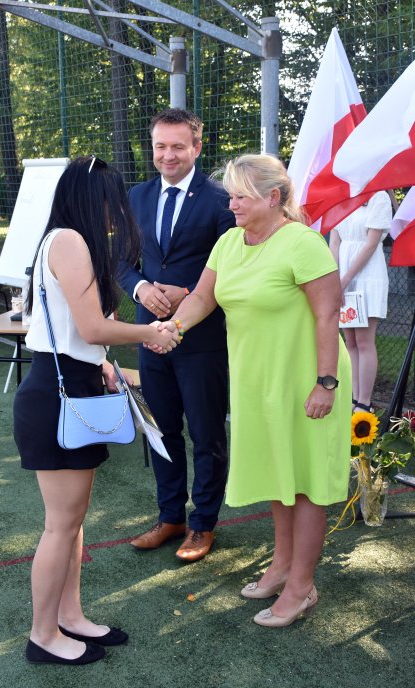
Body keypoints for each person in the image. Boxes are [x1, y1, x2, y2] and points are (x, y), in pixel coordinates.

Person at [155, 154, 351, 627]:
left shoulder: (303, 243)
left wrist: (325, 383)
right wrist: (171, 328)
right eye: (230, 196)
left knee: (306, 486)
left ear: (273, 197)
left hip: (306, 379)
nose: (232, 204)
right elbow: (202, 297)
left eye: (241, 196)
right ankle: (282, 567)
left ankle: (301, 587)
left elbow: (328, 313)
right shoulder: (228, 242)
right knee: (281, 479)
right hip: (257, 382)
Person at [13, 156, 179, 667]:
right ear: (92, 199)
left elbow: (75, 329)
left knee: (72, 521)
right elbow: (91, 328)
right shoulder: (68, 241)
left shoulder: (68, 240)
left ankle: (70, 616)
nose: (116, 213)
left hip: (71, 384)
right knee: (60, 525)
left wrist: (104, 362)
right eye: (111, 201)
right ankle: (44, 635)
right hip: (57, 391)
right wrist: (150, 332)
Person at [119, 108, 235, 562]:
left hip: (202, 339)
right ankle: (171, 517)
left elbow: (235, 266)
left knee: (206, 434)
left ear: (196, 148)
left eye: (178, 146)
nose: (168, 155)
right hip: (151, 336)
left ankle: (202, 523)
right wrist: (141, 288)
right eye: (160, 146)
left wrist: (187, 291)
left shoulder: (222, 199)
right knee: (162, 430)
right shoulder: (137, 196)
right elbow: (120, 260)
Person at [329, 191, 392, 412]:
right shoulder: (341, 195)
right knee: (351, 341)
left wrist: (344, 280)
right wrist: (334, 279)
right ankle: (353, 397)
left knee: (364, 341)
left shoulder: (379, 197)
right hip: (342, 278)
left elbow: (371, 244)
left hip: (367, 275)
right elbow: (334, 242)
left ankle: (364, 401)